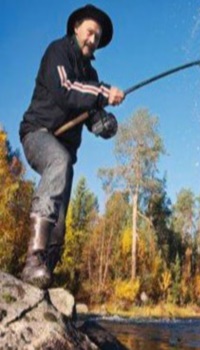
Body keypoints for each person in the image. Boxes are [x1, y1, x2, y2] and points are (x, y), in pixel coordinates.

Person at [19, 4, 125, 289]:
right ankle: (33, 259)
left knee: (61, 223)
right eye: (90, 32)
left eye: (98, 38)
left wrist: (104, 124)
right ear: (77, 27)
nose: (93, 40)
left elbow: (89, 113)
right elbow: (67, 90)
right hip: (37, 134)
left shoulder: (90, 75)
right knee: (58, 162)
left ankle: (43, 276)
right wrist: (104, 92)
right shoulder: (58, 52)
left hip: (64, 152)